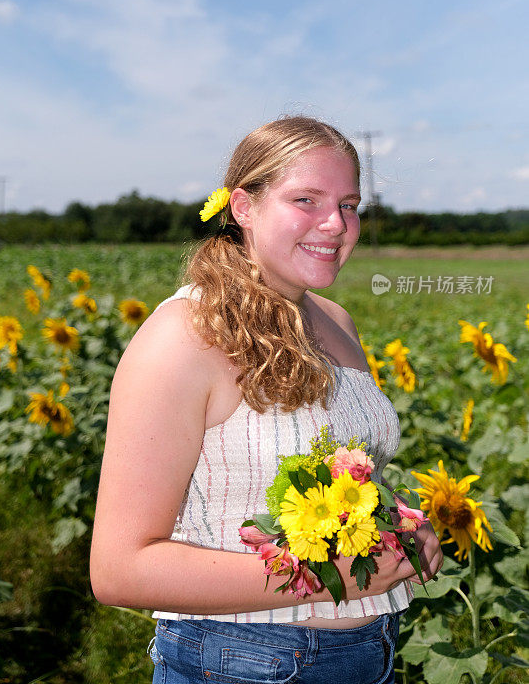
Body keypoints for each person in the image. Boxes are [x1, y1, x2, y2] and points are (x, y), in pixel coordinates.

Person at [90, 116, 443, 683]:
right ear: (243, 208)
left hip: (369, 653)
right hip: (242, 661)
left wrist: (396, 526)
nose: (336, 224)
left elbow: (338, 470)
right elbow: (119, 569)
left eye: (350, 204)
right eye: (306, 199)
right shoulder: (184, 335)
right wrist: (326, 574)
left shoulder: (336, 321)